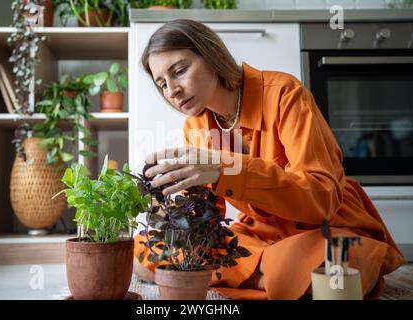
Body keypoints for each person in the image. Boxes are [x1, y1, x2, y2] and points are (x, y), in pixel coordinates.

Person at [132, 19, 405, 300]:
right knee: (144, 251)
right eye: (162, 83)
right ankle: (269, 275)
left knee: (326, 269)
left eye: (180, 71)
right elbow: (206, 219)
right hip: (261, 236)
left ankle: (247, 274)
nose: (172, 91)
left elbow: (321, 198)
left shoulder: (284, 94)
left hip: (326, 226)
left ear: (211, 55)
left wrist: (224, 168)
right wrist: (171, 213)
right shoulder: (196, 126)